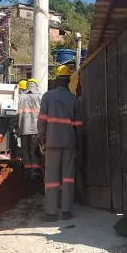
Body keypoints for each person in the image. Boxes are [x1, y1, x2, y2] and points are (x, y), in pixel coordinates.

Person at [38, 65, 83, 221]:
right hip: (70, 143)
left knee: (51, 177)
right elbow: (78, 126)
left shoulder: (47, 97)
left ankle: (51, 212)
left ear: (56, 80)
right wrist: (79, 145)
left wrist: (42, 138)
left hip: (52, 142)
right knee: (68, 177)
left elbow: (42, 121)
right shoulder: (74, 99)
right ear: (69, 80)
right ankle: (66, 211)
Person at [17, 78, 43, 181]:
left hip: (23, 128)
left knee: (25, 150)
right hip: (36, 129)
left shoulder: (20, 97)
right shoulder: (40, 97)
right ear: (36, 86)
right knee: (35, 150)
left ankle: (27, 173)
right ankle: (35, 173)